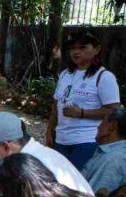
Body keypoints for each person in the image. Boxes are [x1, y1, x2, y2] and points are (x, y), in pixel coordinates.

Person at [46, 32, 121, 170]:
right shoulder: (65, 74)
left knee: (75, 183)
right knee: (58, 181)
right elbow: (56, 105)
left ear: (97, 49)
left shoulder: (104, 77)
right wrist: (50, 130)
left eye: (82, 47)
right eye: (72, 48)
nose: (76, 52)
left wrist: (81, 113)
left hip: (87, 141)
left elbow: (113, 110)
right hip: (61, 139)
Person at [82, 106, 126, 197]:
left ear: (112, 126)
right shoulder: (113, 152)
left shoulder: (114, 159)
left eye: (103, 121)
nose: (98, 126)